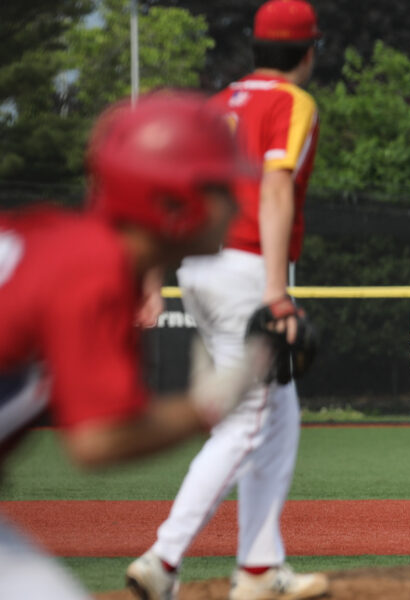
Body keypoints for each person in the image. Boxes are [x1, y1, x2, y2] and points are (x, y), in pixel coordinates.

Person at [0, 92, 263, 600]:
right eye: (219, 186)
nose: (234, 201)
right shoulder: (95, 271)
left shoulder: (61, 240)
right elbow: (99, 441)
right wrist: (210, 404)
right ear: (172, 201)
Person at [126, 1, 327, 598]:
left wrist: (153, 276)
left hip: (199, 266)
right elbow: (274, 185)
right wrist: (275, 291)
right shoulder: (292, 103)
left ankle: (260, 567)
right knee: (246, 419)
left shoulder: (217, 106)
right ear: (308, 51)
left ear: (256, 46)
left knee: (279, 416)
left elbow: (175, 193)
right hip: (247, 271)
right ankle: (163, 559)